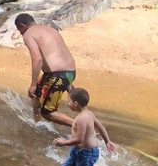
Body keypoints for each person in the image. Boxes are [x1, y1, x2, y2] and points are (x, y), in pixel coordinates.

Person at [14, 13, 116, 150]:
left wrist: (32, 84)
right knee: (36, 92)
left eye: (19, 30)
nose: (20, 34)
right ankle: (36, 123)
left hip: (57, 75)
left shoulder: (29, 34)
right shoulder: (49, 29)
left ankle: (80, 126)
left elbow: (37, 59)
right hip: (69, 73)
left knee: (47, 112)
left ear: (22, 26)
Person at [55, 88, 109, 166]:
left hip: (86, 153)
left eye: (68, 101)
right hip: (77, 150)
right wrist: (107, 141)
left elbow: (79, 139)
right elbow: (100, 126)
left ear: (75, 103)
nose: (67, 103)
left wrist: (62, 143)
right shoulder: (89, 113)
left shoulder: (82, 118)